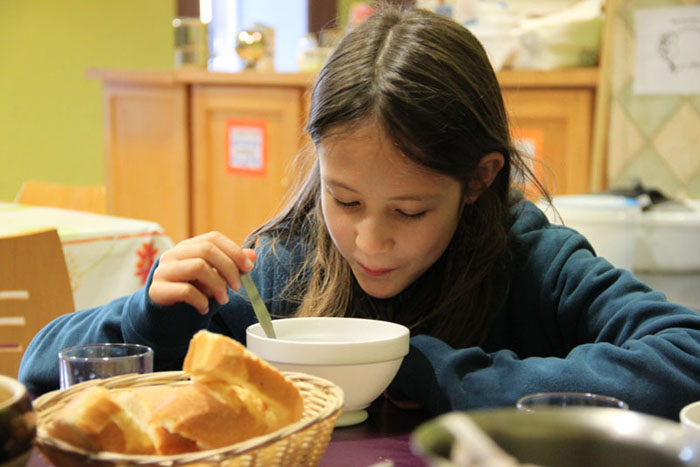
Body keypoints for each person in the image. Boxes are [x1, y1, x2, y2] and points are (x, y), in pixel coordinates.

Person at [19, 5, 700, 420]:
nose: (369, 240)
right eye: (343, 199)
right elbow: (39, 369)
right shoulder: (285, 270)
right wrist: (149, 317)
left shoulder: (534, 262)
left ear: (478, 179)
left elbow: (687, 354)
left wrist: (428, 368)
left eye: (408, 210)